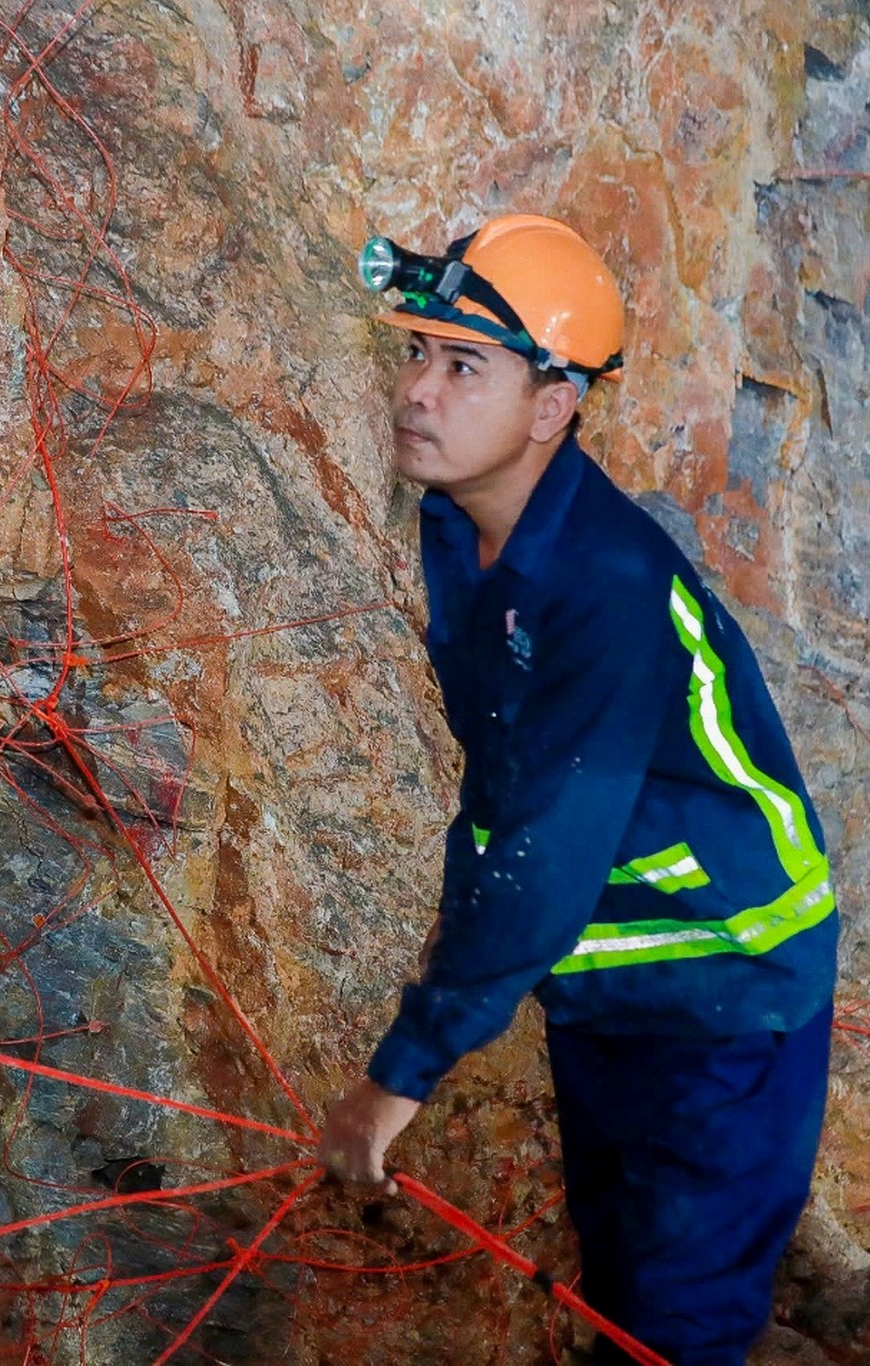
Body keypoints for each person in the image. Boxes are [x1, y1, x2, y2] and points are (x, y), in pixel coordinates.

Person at [318, 215, 840, 1365]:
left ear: (551, 405)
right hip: (611, 983)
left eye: (462, 366)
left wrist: (402, 1070)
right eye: (415, 351)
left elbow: (544, 848)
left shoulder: (605, 583)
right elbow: (503, 786)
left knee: (674, 1332)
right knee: (622, 1289)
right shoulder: (460, 530)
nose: (417, 390)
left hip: (724, 988)